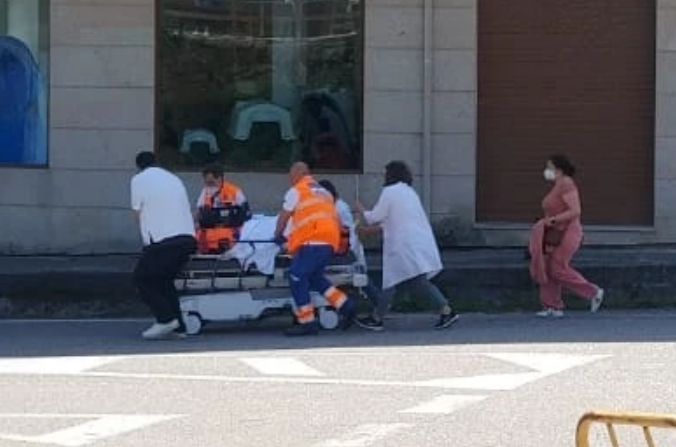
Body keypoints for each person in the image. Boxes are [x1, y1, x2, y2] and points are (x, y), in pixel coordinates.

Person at [354, 160, 459, 331]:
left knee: (391, 281)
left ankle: (377, 318)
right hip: (416, 243)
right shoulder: (409, 192)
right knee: (418, 281)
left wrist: (361, 210)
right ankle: (446, 310)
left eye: (385, 173)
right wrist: (367, 230)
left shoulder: (389, 192)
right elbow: (391, 221)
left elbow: (375, 217)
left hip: (402, 246)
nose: (383, 176)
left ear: (391, 174)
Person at [273, 162, 357, 336]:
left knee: (296, 277)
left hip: (312, 240)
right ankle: (345, 305)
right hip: (330, 241)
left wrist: (277, 234)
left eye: (291, 176)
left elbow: (284, 216)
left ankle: (307, 323)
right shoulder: (324, 192)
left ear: (298, 174)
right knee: (315, 278)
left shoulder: (297, 191)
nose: (290, 179)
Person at [130, 151, 197, 340]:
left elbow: (137, 213)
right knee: (164, 281)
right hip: (187, 239)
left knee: (142, 279)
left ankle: (165, 319)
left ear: (139, 167)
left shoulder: (139, 179)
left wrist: (146, 241)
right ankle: (179, 327)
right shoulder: (174, 179)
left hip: (163, 241)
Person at [528, 155, 604, 318]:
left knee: (557, 268)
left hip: (568, 232)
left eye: (549, 166)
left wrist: (554, 220)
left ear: (559, 169)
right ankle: (552, 306)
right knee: (548, 267)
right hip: (555, 232)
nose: (546, 170)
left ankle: (593, 292)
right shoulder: (558, 185)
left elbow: (575, 210)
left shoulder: (566, 183)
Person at [195, 163, 250, 254]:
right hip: (208, 231)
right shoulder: (205, 191)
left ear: (220, 178)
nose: (209, 185)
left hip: (229, 231)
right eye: (207, 182)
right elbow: (198, 213)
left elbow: (246, 214)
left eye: (211, 182)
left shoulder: (234, 191)